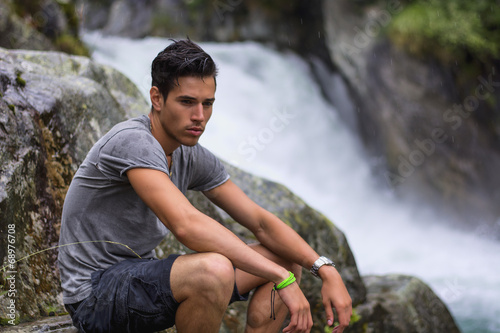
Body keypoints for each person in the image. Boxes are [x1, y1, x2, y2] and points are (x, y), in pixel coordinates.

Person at [58, 39, 352, 333]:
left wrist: (324, 269)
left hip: (140, 283)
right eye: (187, 102)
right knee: (215, 271)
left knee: (287, 259)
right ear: (157, 98)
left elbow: (260, 222)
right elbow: (185, 225)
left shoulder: (190, 155)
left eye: (207, 103)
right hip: (94, 295)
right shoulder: (133, 142)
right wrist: (279, 277)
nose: (199, 116)